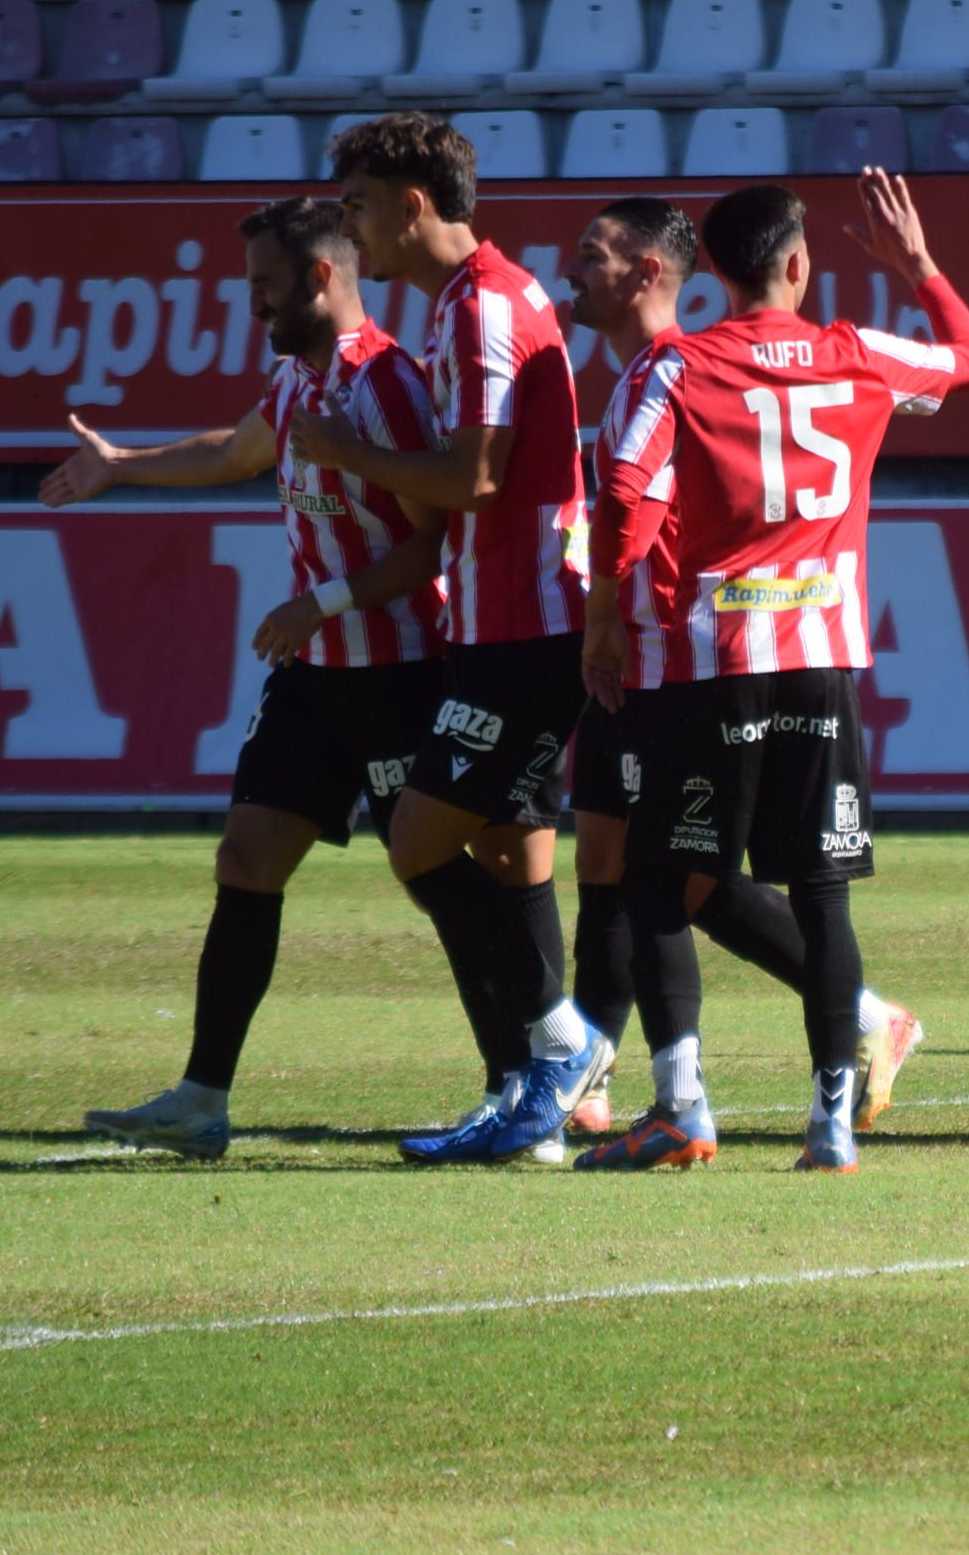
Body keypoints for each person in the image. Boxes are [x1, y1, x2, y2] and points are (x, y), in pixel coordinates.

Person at [581, 173, 969, 1174]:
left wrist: (603, 617)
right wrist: (919, 265)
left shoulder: (675, 364)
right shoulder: (856, 357)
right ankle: (831, 1127)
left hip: (712, 660)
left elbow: (626, 494)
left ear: (713, 271)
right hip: (822, 661)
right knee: (821, 893)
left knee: (654, 879)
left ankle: (681, 1106)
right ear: (799, 263)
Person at [53, 198, 450, 1160]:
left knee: (448, 881)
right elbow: (235, 452)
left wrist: (327, 600)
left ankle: (532, 1079)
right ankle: (201, 1098)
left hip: (402, 670)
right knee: (246, 860)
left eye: (266, 285)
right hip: (318, 676)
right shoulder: (293, 380)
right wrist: (123, 464)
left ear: (321, 277)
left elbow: (435, 542)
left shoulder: (390, 386)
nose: (254, 304)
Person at [308, 112, 604, 1163]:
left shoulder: (483, 307)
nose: (348, 230)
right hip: (497, 623)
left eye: (355, 206)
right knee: (494, 847)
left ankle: (565, 1046)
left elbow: (476, 475)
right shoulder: (466, 302)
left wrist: (344, 450)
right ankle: (536, 1101)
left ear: (412, 204)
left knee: (418, 840)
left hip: (528, 627)